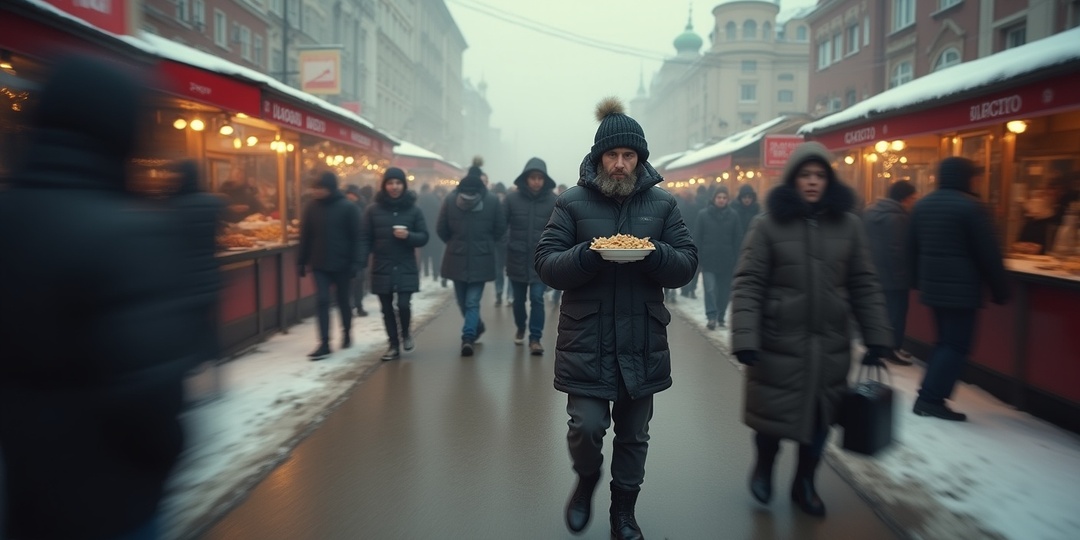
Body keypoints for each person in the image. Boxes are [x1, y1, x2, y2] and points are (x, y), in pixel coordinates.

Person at [0, 55, 194, 540]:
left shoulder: (11, 217)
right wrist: (165, 456)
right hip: (113, 500)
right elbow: (150, 394)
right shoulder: (127, 231)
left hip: (24, 493)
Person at [535, 98, 697, 539]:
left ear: (640, 158)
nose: (621, 164)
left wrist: (654, 253)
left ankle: (622, 513)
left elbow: (686, 265)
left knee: (634, 434)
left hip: (643, 339)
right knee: (586, 428)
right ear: (599, 157)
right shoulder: (571, 203)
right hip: (586, 339)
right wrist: (589, 254)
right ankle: (587, 477)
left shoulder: (663, 206)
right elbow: (546, 264)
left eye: (629, 156)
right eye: (613, 155)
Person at [731, 141, 892, 518]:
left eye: (820, 175)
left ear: (829, 180)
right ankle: (765, 465)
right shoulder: (767, 224)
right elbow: (749, 282)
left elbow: (864, 282)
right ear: (793, 179)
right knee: (772, 417)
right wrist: (745, 337)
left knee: (820, 421)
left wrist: (877, 336)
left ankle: (805, 481)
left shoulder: (849, 225)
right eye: (805, 175)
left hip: (830, 345)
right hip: (777, 341)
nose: (813, 182)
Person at [909, 157, 1010, 421]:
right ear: (966, 178)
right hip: (962, 291)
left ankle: (928, 395)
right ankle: (930, 399)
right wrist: (1001, 290)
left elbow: (911, 248)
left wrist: (916, 282)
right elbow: (989, 253)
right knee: (955, 345)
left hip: (933, 288)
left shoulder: (922, 206)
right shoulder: (972, 207)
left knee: (945, 342)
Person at [437, 159, 506, 356]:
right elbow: (500, 228)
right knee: (469, 302)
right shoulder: (492, 200)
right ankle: (477, 326)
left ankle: (468, 337)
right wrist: (486, 243)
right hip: (482, 257)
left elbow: (441, 229)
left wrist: (453, 242)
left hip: (456, 256)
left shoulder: (451, 199)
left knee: (466, 301)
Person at [359, 167, 429, 361]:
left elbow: (424, 237)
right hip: (382, 265)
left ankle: (405, 333)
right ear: (384, 185)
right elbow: (365, 238)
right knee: (386, 308)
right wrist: (361, 260)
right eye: (390, 183)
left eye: (398, 183)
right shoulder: (372, 210)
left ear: (404, 185)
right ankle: (393, 345)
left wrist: (409, 236)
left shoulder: (414, 210)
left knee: (404, 304)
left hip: (405, 264)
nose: (394, 187)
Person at [169, 160, 227, 382]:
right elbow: (218, 236)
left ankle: (194, 364)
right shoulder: (211, 203)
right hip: (210, 274)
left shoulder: (174, 205)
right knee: (205, 321)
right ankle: (214, 360)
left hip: (184, 278)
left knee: (189, 324)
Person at [298, 171, 363, 360]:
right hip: (319, 264)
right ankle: (324, 342)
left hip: (343, 264)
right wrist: (302, 260)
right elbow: (306, 235)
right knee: (323, 300)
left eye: (320, 188)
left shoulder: (348, 208)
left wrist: (357, 263)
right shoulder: (311, 207)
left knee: (343, 301)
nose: (316, 191)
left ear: (331, 188)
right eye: (315, 188)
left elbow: (357, 238)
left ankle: (347, 333)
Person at [503, 157, 558, 355]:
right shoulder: (511, 200)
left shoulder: (553, 201)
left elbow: (557, 231)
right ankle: (520, 326)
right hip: (516, 258)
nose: (536, 181)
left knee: (537, 298)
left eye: (539, 178)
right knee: (518, 300)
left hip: (539, 261)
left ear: (544, 179)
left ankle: (535, 338)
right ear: (526, 178)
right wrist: (506, 246)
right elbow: (502, 227)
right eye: (532, 177)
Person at [863, 180, 918, 365]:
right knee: (896, 313)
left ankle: (882, 346)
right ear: (905, 198)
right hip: (893, 276)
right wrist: (904, 276)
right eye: (912, 199)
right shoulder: (898, 217)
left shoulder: (871, 212)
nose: (913, 203)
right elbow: (897, 250)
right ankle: (891, 349)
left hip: (874, 272)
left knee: (881, 312)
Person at [694, 185, 743, 330]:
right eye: (719, 197)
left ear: (727, 200)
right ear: (714, 199)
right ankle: (711, 317)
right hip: (708, 260)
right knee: (710, 289)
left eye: (724, 198)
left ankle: (721, 315)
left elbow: (738, 239)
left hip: (727, 261)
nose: (721, 200)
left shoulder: (733, 216)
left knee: (724, 292)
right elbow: (697, 237)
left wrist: (737, 258)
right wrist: (697, 257)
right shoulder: (703, 215)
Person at [345, 184, 371, 317]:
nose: (350, 197)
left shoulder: (364, 209)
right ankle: (349, 306)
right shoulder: (342, 208)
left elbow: (367, 230)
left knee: (359, 279)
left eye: (352, 194)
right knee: (349, 280)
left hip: (360, 249)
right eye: (348, 194)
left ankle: (358, 305)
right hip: (346, 250)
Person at [417, 182, 445, 285]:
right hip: (435, 230)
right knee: (436, 254)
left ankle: (425, 271)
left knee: (424, 252)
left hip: (424, 229)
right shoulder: (436, 201)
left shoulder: (419, 200)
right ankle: (436, 272)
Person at [491, 181, 510, 306]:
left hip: (508, 242)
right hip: (499, 242)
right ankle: (499, 292)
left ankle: (509, 295)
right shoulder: (492, 206)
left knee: (509, 270)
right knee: (499, 270)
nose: (500, 196)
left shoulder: (509, 205)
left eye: (501, 194)